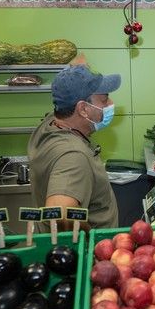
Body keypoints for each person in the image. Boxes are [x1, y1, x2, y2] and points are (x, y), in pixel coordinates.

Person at [28, 65, 121, 232]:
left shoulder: (50, 123)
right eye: (105, 99)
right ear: (83, 109)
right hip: (92, 253)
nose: (111, 104)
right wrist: (89, 243)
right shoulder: (73, 157)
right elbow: (59, 215)